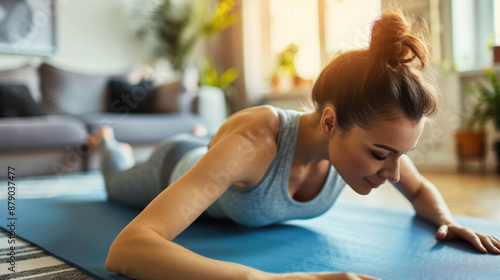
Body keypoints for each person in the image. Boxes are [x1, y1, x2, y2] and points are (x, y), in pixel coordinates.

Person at [95, 9, 500, 280]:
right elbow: (127, 249)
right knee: (114, 177)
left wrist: (448, 220)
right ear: (330, 121)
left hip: (214, 160)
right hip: (171, 164)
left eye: (401, 155)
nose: (392, 173)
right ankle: (110, 144)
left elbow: (417, 188)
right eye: (381, 154)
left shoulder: (368, 150)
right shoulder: (256, 142)